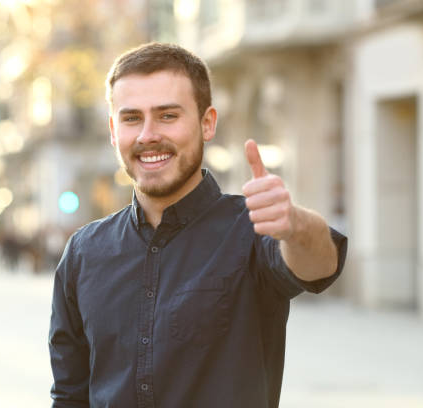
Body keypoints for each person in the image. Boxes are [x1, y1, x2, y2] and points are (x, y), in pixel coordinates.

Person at [48, 42, 347, 408]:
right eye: (131, 118)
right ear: (114, 131)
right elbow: (69, 395)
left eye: (168, 116)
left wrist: (295, 225)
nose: (147, 135)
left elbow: (321, 265)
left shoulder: (251, 231)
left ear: (207, 123)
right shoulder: (83, 252)